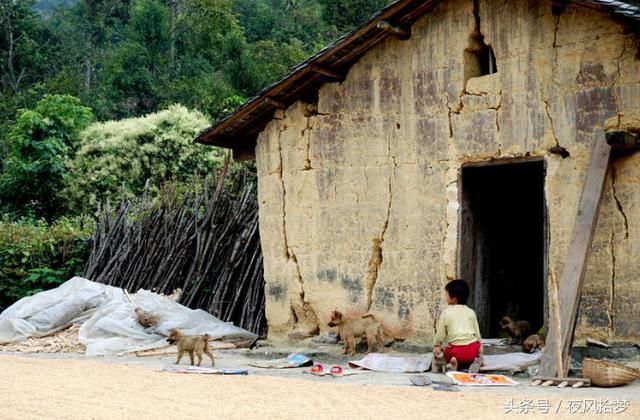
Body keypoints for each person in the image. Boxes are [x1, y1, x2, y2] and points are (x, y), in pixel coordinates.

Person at [433, 279, 483, 372]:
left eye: (446, 294)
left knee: (445, 351)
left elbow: (440, 334)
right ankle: (474, 362)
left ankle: (453, 361)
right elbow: (477, 334)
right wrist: (480, 350)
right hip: (472, 350)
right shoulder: (471, 312)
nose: (445, 296)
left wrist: (437, 345)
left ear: (454, 298)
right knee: (478, 354)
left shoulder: (446, 313)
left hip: (456, 351)